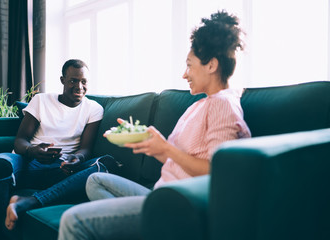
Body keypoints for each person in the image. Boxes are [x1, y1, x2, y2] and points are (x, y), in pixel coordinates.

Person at [58, 10, 251, 240]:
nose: (184, 74)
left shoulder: (222, 105)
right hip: (161, 194)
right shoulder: (200, 105)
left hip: (179, 205)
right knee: (95, 180)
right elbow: (179, 160)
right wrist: (149, 142)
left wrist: (166, 149)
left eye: (189, 65)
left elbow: (217, 173)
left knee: (74, 221)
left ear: (211, 65)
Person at [0, 59, 116, 240]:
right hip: (27, 163)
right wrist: (32, 151)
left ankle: (28, 202)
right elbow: (20, 141)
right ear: (62, 80)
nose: (79, 86)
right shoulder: (42, 100)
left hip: (62, 170)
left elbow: (86, 149)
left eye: (84, 82)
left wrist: (76, 159)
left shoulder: (94, 109)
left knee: (106, 164)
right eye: (73, 80)